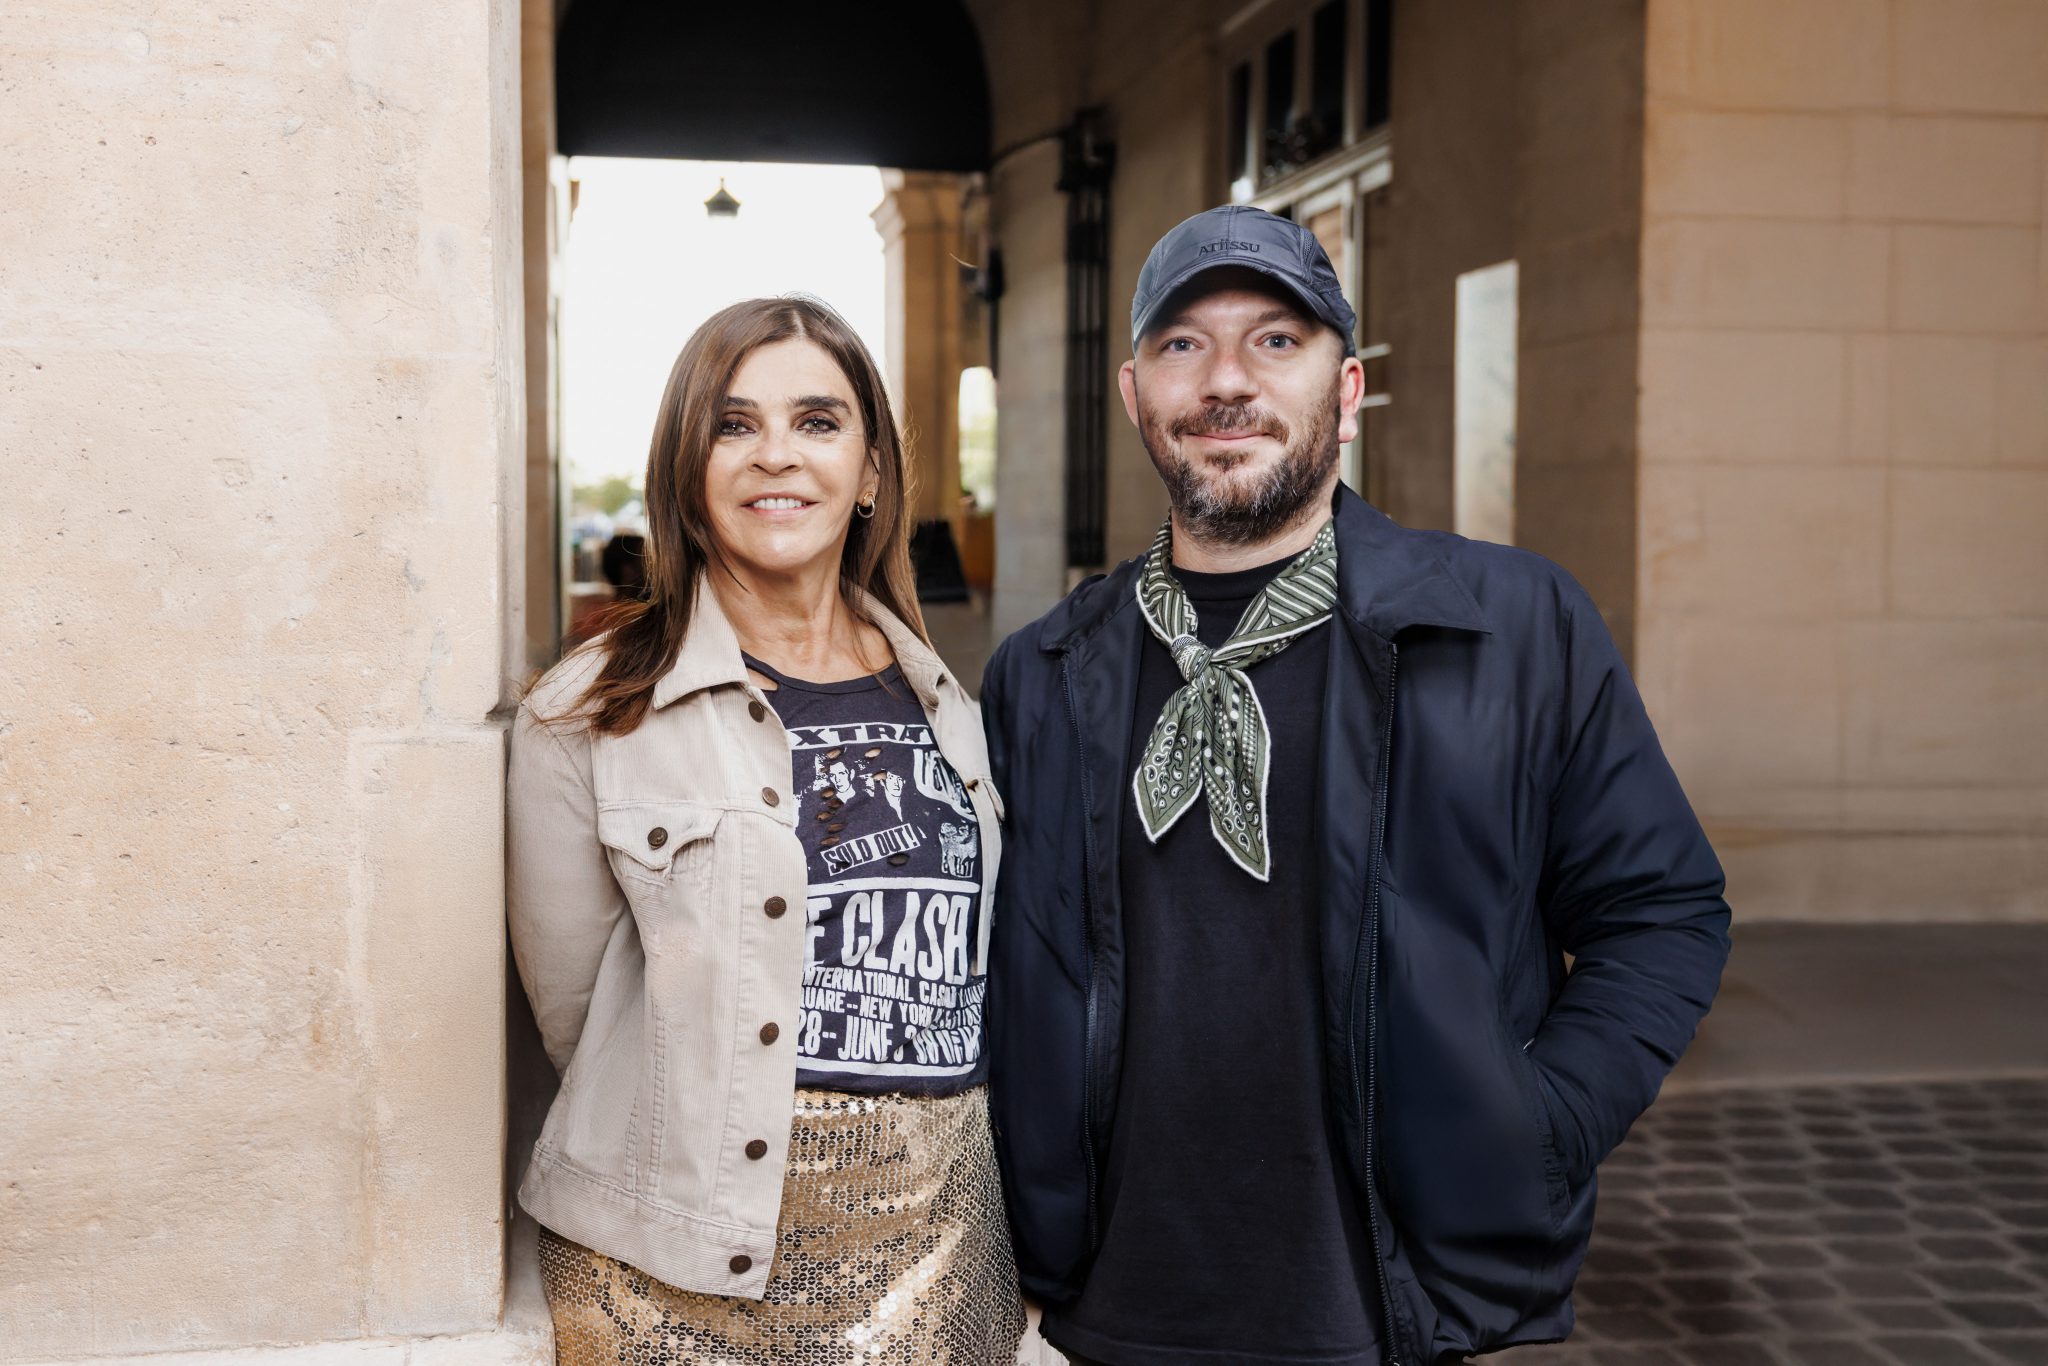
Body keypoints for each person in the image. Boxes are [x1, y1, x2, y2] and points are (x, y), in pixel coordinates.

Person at [980, 206, 1731, 1365]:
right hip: (1102, 1308)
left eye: (1276, 340)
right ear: (1133, 395)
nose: (1225, 381)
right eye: (1183, 345)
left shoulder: (1511, 626)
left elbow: (1659, 913)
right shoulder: (1039, 673)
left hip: (1386, 1310)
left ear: (1347, 389)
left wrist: (1539, 1125)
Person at [508, 296, 1024, 1364]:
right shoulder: (586, 713)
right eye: (732, 425)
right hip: (672, 1283)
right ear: (685, 467)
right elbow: (578, 1017)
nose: (773, 456)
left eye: (817, 422)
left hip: (945, 1256)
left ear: (872, 469)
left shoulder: (955, 709)